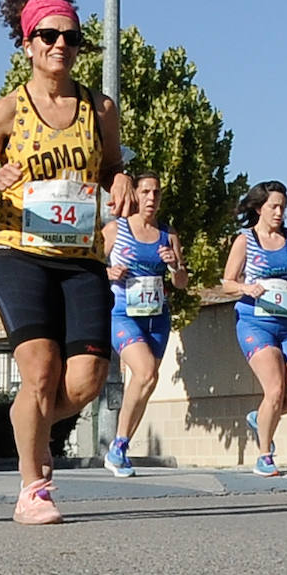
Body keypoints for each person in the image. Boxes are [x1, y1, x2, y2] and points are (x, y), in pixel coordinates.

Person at [0, 0, 136, 524]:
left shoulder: (98, 108)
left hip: (79, 258)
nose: (61, 46)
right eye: (49, 36)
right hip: (18, 252)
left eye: (72, 37)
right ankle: (34, 487)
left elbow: (111, 167)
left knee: (83, 383)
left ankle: (27, 421)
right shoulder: (8, 110)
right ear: (28, 44)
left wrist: (121, 179)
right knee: (39, 370)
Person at [221, 181, 287, 477]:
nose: (279, 213)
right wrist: (244, 287)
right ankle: (265, 455)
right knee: (275, 390)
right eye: (273, 207)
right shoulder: (245, 240)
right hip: (254, 322)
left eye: (283, 207)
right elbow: (226, 282)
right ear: (258, 208)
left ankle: (259, 416)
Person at [101, 173, 189, 478]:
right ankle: (118, 447)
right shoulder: (117, 228)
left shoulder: (168, 234)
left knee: (147, 382)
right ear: (135, 196)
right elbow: (91, 267)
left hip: (156, 316)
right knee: (145, 371)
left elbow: (181, 283)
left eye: (157, 193)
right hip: (123, 313)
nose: (152, 198)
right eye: (146, 192)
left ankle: (120, 445)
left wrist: (174, 265)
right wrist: (108, 272)